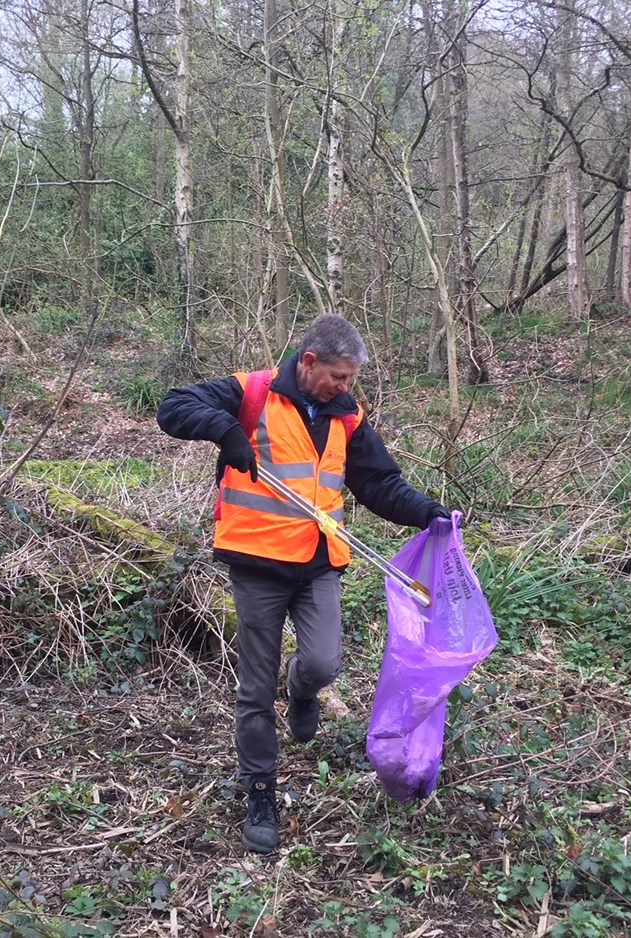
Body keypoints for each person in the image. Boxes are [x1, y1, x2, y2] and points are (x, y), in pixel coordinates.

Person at [156, 314, 450, 854]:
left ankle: (304, 690)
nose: (346, 387)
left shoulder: (347, 415)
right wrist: (226, 431)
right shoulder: (252, 392)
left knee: (322, 663)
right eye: (338, 377)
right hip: (257, 563)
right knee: (254, 688)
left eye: (351, 379)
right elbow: (173, 406)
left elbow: (378, 483)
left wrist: (427, 513)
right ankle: (260, 792)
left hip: (318, 562)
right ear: (309, 361)